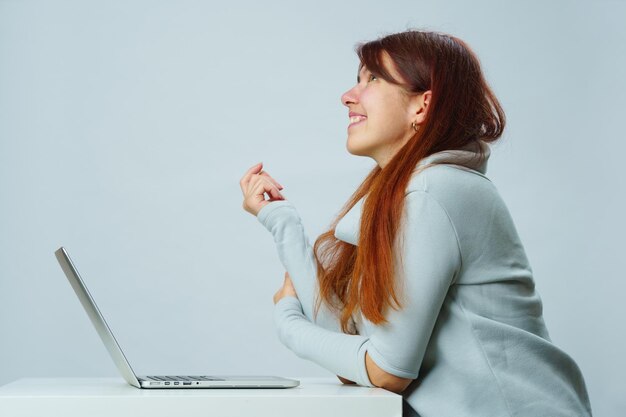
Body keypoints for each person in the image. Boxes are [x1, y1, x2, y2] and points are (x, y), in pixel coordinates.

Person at [239, 29, 592, 417]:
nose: (348, 95)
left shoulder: (434, 192)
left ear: (422, 106)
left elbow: (387, 372)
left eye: (372, 78)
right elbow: (354, 354)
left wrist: (287, 319)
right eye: (357, 79)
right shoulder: (407, 193)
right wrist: (280, 220)